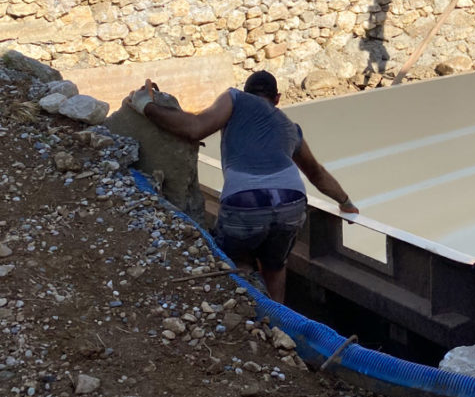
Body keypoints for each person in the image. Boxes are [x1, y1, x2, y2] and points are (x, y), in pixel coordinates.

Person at [127, 70, 358, 301]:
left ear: (246, 91)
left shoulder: (235, 98)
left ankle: (246, 321)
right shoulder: (291, 127)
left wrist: (146, 105)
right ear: (277, 99)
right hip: (292, 202)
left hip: (245, 202)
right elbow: (316, 173)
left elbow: (195, 128)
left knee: (237, 263)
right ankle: (278, 327)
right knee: (275, 267)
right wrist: (345, 202)